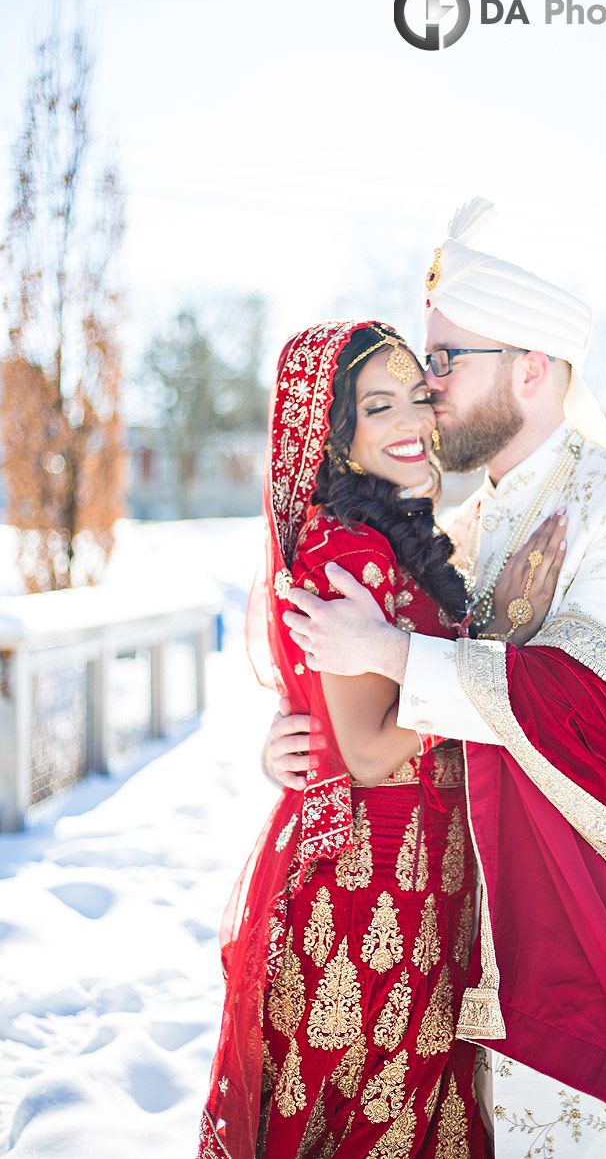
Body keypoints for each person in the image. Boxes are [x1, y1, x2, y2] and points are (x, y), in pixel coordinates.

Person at [267, 200, 606, 1159]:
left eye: (446, 361)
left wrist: (397, 658)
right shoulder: (457, 533)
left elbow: (596, 700)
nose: (427, 388)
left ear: (532, 367)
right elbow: (382, 703)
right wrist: (308, 742)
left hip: (581, 940)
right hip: (446, 958)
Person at [197, 317, 567, 1159]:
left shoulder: (396, 539)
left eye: (416, 398)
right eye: (378, 407)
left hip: (421, 879)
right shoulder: (347, 549)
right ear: (336, 434)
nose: (412, 422)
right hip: (367, 890)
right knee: (367, 1116)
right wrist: (473, 666)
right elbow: (365, 752)